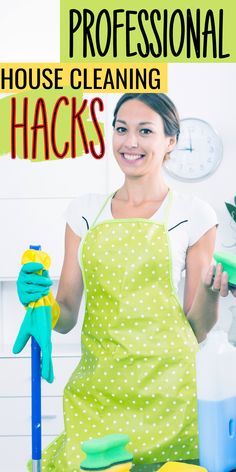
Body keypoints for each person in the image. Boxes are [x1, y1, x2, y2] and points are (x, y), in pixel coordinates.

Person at [22, 93, 232, 470]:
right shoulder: (84, 211)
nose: (129, 142)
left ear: (170, 141)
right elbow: (67, 313)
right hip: (98, 392)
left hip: (170, 392)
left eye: (144, 131)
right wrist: (40, 302)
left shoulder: (193, 213)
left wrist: (209, 293)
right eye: (121, 129)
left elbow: (197, 328)